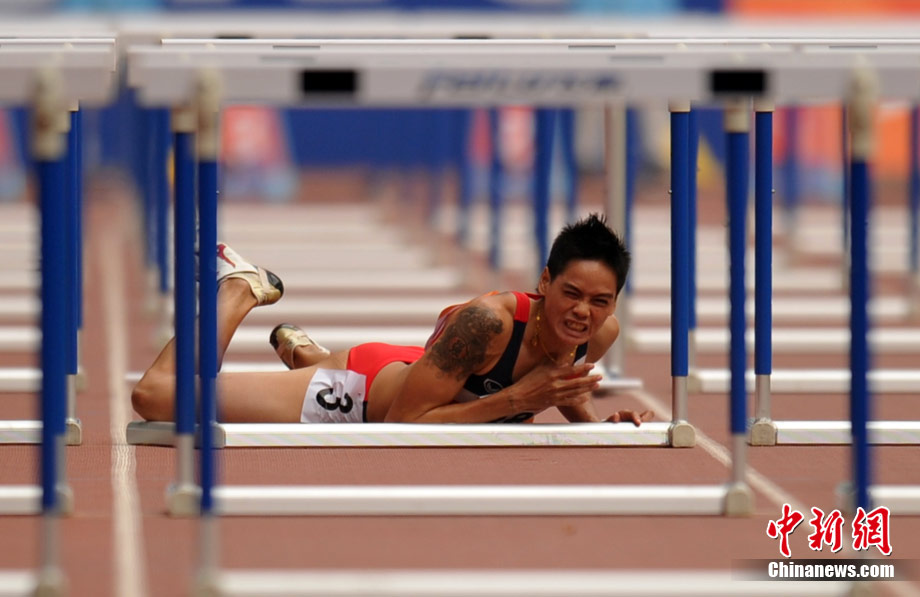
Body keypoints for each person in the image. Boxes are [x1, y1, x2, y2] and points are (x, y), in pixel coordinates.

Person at [131, 213, 652, 425]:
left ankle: (306, 354)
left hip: (425, 371)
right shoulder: (486, 324)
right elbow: (403, 423)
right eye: (571, 294)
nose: (583, 312)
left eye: (600, 301)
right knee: (157, 399)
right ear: (544, 282)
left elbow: (554, 378)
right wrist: (517, 401)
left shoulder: (599, 332)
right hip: (361, 393)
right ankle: (239, 289)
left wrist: (597, 430)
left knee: (427, 374)